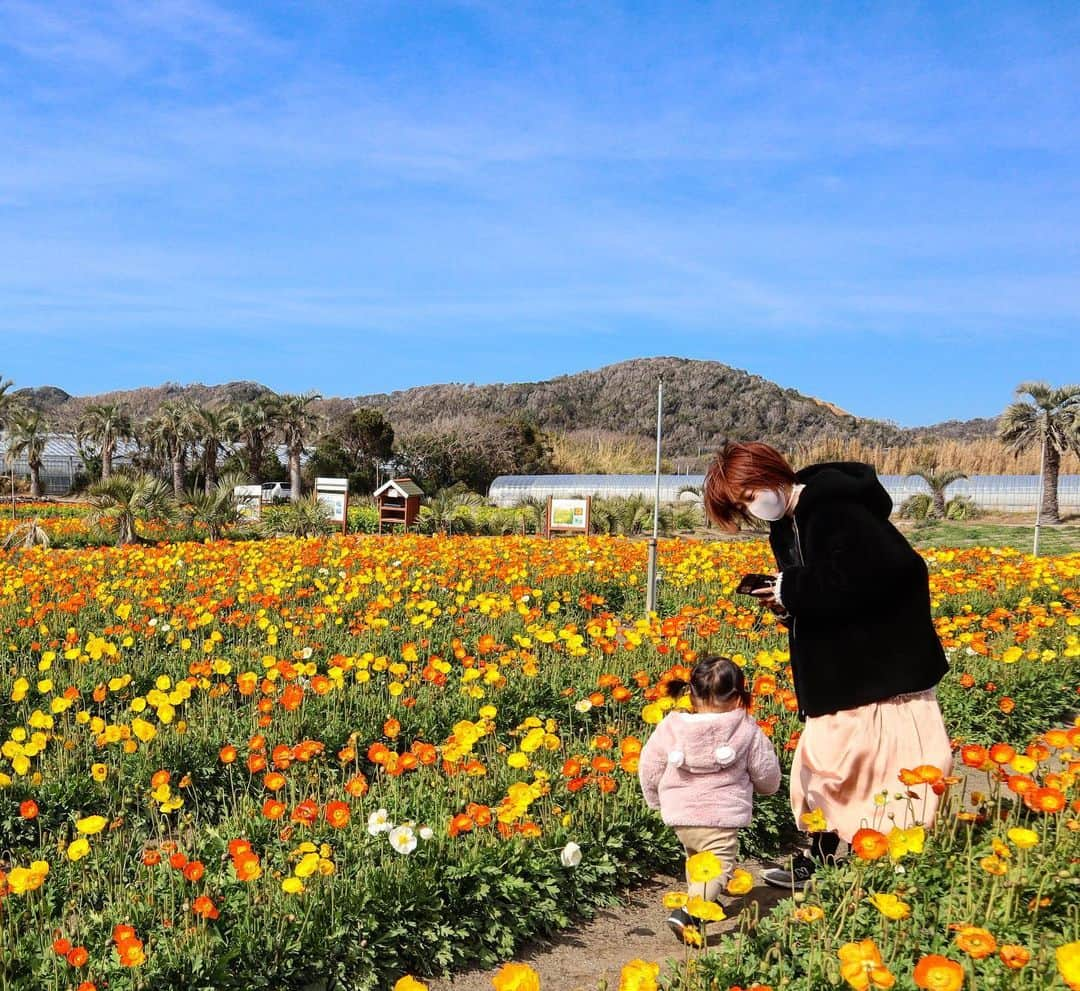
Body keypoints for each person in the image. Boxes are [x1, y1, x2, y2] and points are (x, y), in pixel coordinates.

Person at [703, 441, 952, 890]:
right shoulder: (785, 528)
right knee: (823, 766)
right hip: (836, 669)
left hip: (878, 666)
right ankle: (825, 857)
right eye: (742, 506)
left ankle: (881, 860)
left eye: (748, 495)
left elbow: (895, 569)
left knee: (876, 767)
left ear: (770, 471)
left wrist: (794, 588)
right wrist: (784, 601)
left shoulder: (837, 509)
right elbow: (821, 593)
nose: (752, 509)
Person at [638, 654, 782, 942]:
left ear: (690, 693)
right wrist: (769, 788)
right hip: (720, 817)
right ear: (739, 695)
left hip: (681, 816)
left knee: (697, 860)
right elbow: (766, 772)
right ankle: (689, 913)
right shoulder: (746, 730)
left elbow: (649, 765)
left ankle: (705, 904)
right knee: (719, 866)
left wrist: (655, 799)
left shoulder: (671, 726)